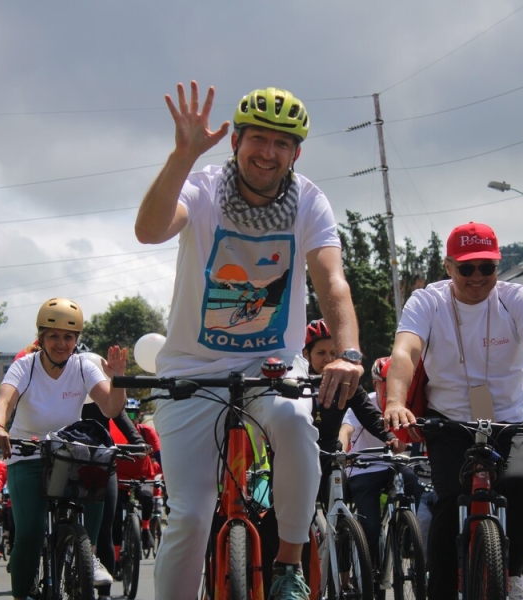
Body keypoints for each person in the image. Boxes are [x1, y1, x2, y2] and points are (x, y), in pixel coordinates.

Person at [134, 82, 363, 600]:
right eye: (257, 138)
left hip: (270, 366)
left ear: (296, 153)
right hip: (191, 371)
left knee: (296, 421)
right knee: (189, 518)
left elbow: (331, 282)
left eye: (282, 143)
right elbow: (149, 230)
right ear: (235, 141)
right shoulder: (201, 187)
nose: (268, 152)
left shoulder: (309, 201)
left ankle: (287, 565)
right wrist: (182, 155)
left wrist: (349, 353)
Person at [382, 222, 523, 600]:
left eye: (486, 267)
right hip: (450, 424)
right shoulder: (428, 301)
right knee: (448, 504)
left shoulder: (516, 299)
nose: (477, 277)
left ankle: (514, 572)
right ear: (448, 266)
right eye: (466, 268)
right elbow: (405, 352)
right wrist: (395, 401)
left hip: (511, 421)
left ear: (497, 267)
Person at [0, 297, 129, 600]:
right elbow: (4, 401)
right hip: (27, 455)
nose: (61, 343)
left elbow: (111, 407)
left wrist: (117, 380)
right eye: (53, 336)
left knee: (97, 476)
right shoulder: (25, 366)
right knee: (30, 532)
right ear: (41, 338)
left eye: (69, 337)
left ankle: (86, 552)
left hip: (68, 454)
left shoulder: (82, 366)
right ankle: (22, 592)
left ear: (76, 340)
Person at [337, 355, 421, 566]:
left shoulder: (406, 405)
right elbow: (346, 430)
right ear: (376, 383)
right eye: (387, 385)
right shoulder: (367, 404)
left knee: (414, 483)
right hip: (363, 468)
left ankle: (409, 539)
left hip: (392, 465)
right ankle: (371, 572)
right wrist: (342, 449)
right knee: (370, 527)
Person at [82, 378, 145, 600]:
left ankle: (104, 594)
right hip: (68, 459)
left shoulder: (99, 389)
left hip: (102, 461)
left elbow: (117, 413)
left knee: (104, 527)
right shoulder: (60, 389)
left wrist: (137, 440)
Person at [111, 398, 162, 559]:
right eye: (127, 414)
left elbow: (159, 455)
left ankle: (146, 529)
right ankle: (117, 557)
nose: (131, 419)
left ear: (139, 416)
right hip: (119, 479)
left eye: (133, 414)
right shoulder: (112, 431)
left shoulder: (147, 432)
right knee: (116, 516)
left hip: (143, 478)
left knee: (147, 498)